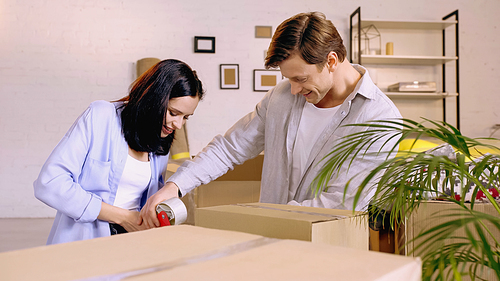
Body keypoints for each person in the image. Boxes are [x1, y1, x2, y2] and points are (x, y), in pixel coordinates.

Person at [139, 12, 402, 228]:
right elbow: (229, 148)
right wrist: (176, 185)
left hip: (327, 249)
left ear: (331, 60)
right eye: (289, 79)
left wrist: (260, 220)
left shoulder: (379, 117)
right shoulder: (282, 96)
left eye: (301, 79)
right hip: (270, 239)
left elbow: (341, 202)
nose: (295, 90)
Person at [33, 59, 204, 244]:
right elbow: (50, 183)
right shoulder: (101, 116)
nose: (178, 125)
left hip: (135, 244)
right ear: (155, 98)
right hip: (86, 244)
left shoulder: (161, 141)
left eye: (186, 117)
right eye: (173, 113)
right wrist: (124, 218)